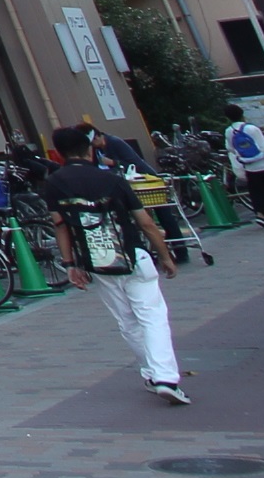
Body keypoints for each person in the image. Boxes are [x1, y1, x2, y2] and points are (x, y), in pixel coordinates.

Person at [49, 122, 186, 405]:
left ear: (59, 153)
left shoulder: (54, 183)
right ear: (89, 150)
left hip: (97, 262)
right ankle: (165, 377)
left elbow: (60, 226)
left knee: (127, 321)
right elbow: (145, 222)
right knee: (153, 317)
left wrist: (70, 264)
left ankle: (151, 373)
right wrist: (165, 255)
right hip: (132, 254)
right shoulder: (112, 179)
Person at [223, 104, 264, 217]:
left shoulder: (229, 131)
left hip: (250, 167)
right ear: (242, 114)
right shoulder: (252, 128)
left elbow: (230, 148)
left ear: (228, 118)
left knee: (257, 192)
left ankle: (260, 215)